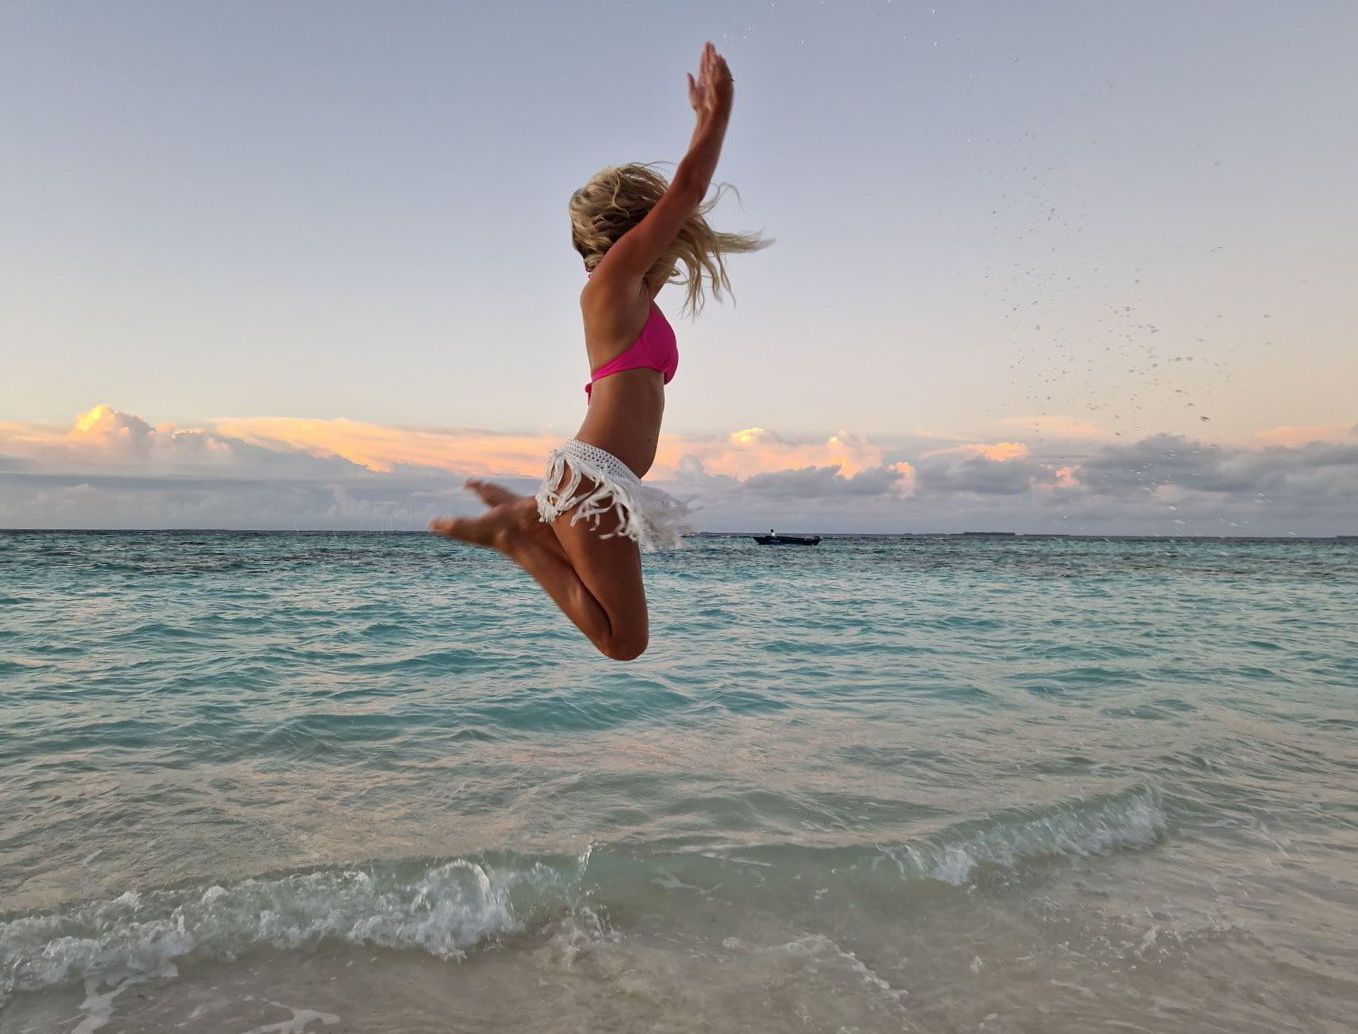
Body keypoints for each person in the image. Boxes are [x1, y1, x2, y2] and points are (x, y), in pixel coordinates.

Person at [431, 42, 768, 660]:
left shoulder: (634, 293)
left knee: (624, 638)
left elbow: (681, 201)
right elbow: (687, 191)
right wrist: (718, 112)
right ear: (630, 229)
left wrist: (700, 123)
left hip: (596, 478)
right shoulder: (610, 287)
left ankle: (525, 518)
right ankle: (517, 537)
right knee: (622, 642)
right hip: (592, 479)